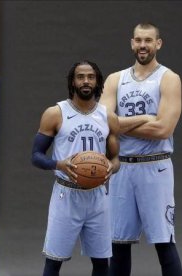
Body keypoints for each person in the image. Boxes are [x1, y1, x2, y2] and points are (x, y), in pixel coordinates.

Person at [100, 22, 182, 276]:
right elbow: (101, 122)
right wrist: (146, 118)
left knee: (164, 242)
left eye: (148, 40)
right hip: (122, 168)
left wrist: (119, 125)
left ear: (158, 44)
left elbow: (163, 130)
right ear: (132, 43)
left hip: (155, 166)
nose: (143, 45)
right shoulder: (116, 79)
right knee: (117, 244)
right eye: (138, 40)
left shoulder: (169, 79)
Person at [32, 60, 120, 276]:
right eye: (80, 76)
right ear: (73, 81)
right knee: (54, 261)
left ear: (97, 80)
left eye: (90, 76)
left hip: (98, 196)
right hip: (66, 194)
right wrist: (58, 164)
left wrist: (111, 167)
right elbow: (35, 156)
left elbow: (116, 159)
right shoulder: (55, 113)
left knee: (102, 263)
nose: (86, 81)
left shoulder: (108, 116)